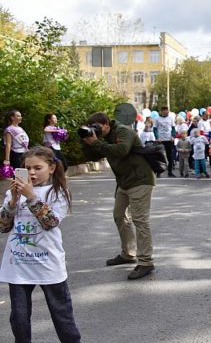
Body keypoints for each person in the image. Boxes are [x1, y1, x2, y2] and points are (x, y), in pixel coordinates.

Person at [0, 146, 81, 342]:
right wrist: (12, 202)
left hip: (48, 263)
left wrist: (30, 196)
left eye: (37, 168)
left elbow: (50, 222)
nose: (31, 173)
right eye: (27, 168)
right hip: (18, 264)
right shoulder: (13, 194)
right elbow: (3, 227)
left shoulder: (57, 192)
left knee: (62, 316)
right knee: (19, 319)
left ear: (51, 168)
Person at [81, 112, 156, 280]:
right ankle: (128, 253)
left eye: (98, 127)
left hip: (140, 179)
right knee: (119, 215)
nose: (96, 131)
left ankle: (146, 262)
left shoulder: (123, 131)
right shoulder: (102, 138)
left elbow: (121, 150)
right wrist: (88, 142)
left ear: (106, 124)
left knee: (140, 219)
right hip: (124, 182)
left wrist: (97, 142)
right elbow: (91, 155)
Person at [153, 106, 176, 177]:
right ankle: (159, 172)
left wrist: (173, 136)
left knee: (170, 156)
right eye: (165, 111)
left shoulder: (170, 118)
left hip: (169, 140)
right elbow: (155, 129)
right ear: (162, 111)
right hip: (161, 140)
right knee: (160, 156)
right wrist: (157, 137)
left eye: (167, 111)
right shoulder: (157, 119)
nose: (167, 112)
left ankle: (170, 172)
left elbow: (173, 128)